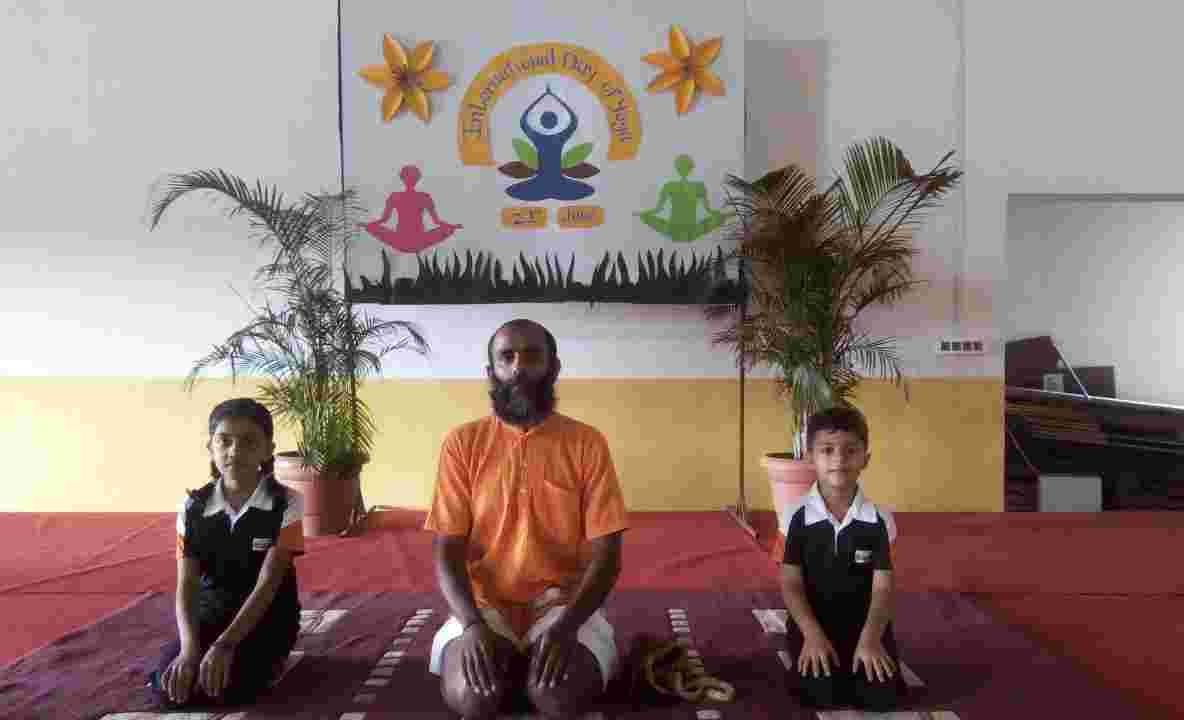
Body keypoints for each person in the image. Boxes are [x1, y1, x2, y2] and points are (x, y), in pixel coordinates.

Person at [425, 319, 628, 718]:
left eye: (532, 356)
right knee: (472, 697)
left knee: (557, 697)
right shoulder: (462, 443)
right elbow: (446, 550)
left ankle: (527, 668)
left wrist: (567, 626)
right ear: (492, 372)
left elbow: (608, 555)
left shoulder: (586, 443)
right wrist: (472, 625)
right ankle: (513, 664)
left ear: (553, 367)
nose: (518, 367)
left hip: (564, 605)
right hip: (483, 605)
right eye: (507, 357)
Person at [148, 398, 304, 708]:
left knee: (228, 689)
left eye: (248, 442)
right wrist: (189, 651)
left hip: (267, 617)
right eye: (224, 441)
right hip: (211, 615)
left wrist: (225, 645)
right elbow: (187, 585)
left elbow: (268, 582)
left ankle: (267, 663)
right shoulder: (192, 507)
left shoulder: (287, 502)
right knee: (170, 686)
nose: (234, 451)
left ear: (267, 450)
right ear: (211, 447)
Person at [779, 405, 905, 711]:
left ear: (866, 458)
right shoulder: (793, 515)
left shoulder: (881, 519)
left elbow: (883, 588)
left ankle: (867, 655)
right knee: (819, 696)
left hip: (865, 625)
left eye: (850, 450)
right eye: (827, 450)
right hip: (813, 623)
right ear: (810, 457)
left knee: (881, 698)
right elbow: (790, 583)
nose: (839, 459)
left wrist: (871, 639)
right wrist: (811, 635)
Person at [361, 164, 462, 253]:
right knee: (444, 230)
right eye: (410, 177)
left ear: (402, 179)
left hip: (401, 241)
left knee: (376, 229)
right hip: (419, 241)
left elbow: (384, 219)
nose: (410, 180)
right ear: (417, 179)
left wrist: (369, 225)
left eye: (411, 178)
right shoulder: (424, 197)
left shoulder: (395, 196)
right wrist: (451, 227)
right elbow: (437, 221)